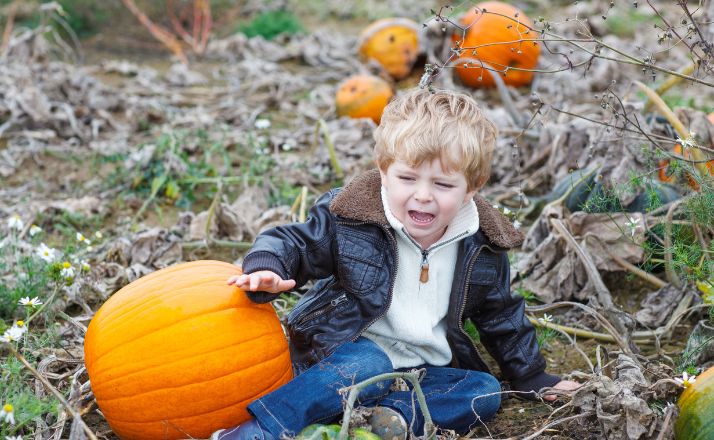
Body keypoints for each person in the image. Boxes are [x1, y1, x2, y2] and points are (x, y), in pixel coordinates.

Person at [214, 88, 579, 440]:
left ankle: (384, 420)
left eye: (442, 184)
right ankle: (261, 431)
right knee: (371, 365)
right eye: (407, 178)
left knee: (483, 391)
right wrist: (270, 267)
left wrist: (532, 376)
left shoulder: (483, 243)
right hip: (345, 353)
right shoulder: (351, 217)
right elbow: (295, 241)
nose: (423, 195)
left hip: (423, 372)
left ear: (472, 187)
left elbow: (501, 316)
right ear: (384, 171)